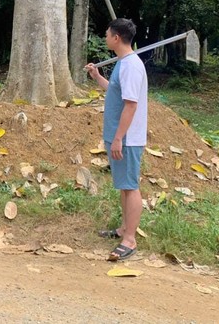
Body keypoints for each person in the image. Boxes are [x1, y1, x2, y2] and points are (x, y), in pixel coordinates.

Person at [85, 18, 148, 262]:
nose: (105, 37)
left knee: (130, 186)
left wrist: (120, 138)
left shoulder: (131, 66)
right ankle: (124, 229)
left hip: (127, 139)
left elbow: (131, 105)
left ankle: (129, 239)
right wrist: (97, 76)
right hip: (119, 136)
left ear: (116, 38)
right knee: (124, 184)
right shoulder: (124, 64)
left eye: (107, 34)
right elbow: (114, 90)